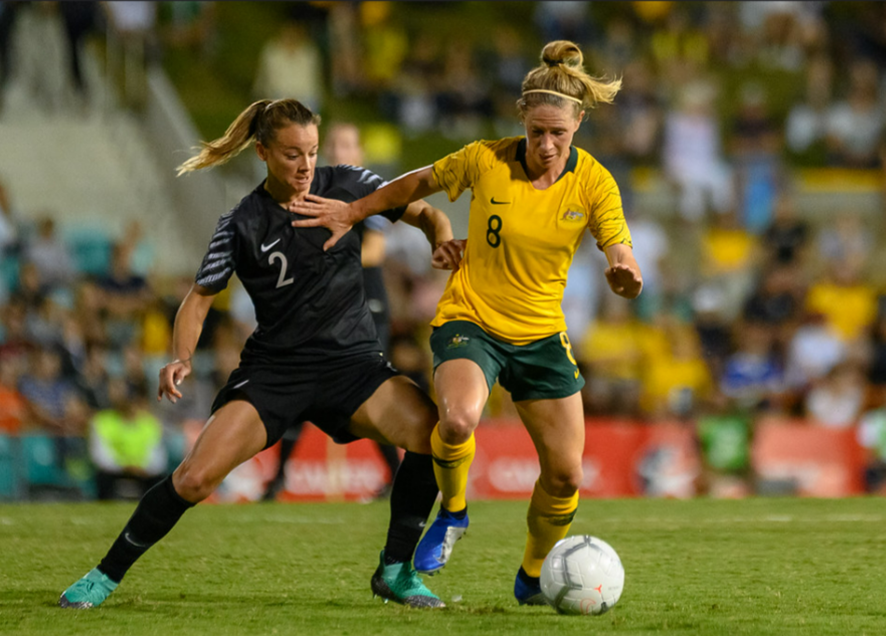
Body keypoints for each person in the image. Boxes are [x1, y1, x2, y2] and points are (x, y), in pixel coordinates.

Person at [59, 98, 462, 610]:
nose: (306, 165)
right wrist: (181, 355)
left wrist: (442, 238)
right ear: (263, 151)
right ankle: (104, 574)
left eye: (312, 152)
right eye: (292, 154)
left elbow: (423, 209)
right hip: (277, 371)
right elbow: (199, 297)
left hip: (352, 364)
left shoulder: (348, 184)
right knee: (194, 477)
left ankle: (395, 571)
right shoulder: (241, 223)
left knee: (433, 436)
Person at [290, 41, 642, 605]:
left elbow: (618, 244)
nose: (547, 145)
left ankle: (532, 575)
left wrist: (624, 270)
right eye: (537, 132)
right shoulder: (486, 159)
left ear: (579, 122)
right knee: (455, 421)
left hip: (540, 336)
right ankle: (452, 512)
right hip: (470, 319)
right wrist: (354, 210)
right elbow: (414, 185)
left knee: (567, 477)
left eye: (559, 133)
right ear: (521, 121)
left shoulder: (595, 183)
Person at [260, 122, 402, 502]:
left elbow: (375, 250)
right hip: (324, 305)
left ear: (359, 154)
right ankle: (278, 478)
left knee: (368, 391)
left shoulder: (366, 189)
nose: (340, 151)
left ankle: (400, 474)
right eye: (334, 144)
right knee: (303, 382)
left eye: (347, 144)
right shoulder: (314, 191)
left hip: (364, 303)